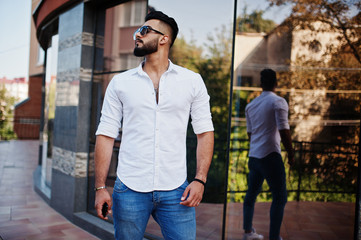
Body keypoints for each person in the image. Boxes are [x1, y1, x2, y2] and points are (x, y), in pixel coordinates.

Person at [94, 10, 214, 240]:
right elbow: (106, 135)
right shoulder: (120, 83)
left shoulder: (192, 81)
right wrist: (100, 187)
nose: (136, 35)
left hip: (177, 189)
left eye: (144, 31)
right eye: (138, 30)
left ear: (163, 39)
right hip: (129, 188)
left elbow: (205, 133)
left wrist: (200, 179)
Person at [242, 69, 294, 240]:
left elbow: (250, 134)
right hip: (271, 155)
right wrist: (292, 154)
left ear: (260, 84)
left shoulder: (250, 105)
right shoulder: (278, 102)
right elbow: (284, 130)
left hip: (254, 157)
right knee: (280, 197)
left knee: (250, 196)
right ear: (276, 83)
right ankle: (274, 237)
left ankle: (248, 233)